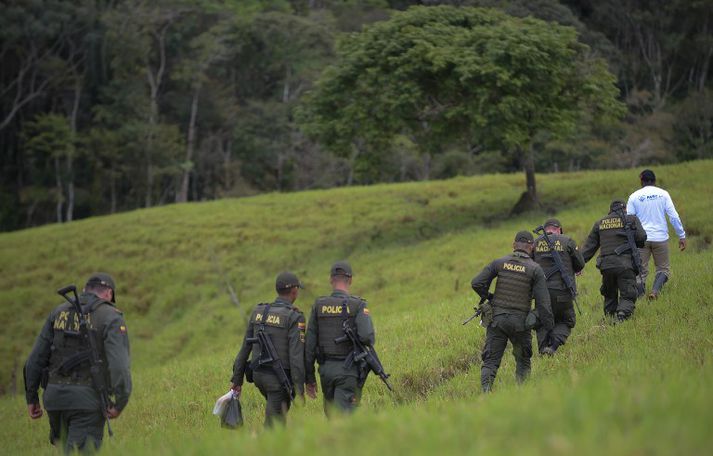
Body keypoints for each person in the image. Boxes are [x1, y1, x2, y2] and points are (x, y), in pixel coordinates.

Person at [24, 273, 132, 453]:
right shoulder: (111, 316)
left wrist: (31, 397)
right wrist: (120, 402)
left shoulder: (58, 313)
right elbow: (119, 366)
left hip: (54, 400)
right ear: (109, 294)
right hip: (87, 402)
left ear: (84, 290)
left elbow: (35, 359)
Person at [471, 231, 553, 393]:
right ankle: (522, 394)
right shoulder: (535, 269)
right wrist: (548, 328)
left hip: (497, 320)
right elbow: (544, 303)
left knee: (490, 361)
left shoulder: (500, 263)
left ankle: (485, 393)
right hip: (520, 323)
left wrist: (489, 297)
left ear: (514, 245)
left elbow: (477, 283)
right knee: (523, 361)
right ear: (532, 247)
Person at [230, 272, 306, 427]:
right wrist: (299, 390)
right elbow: (296, 358)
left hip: (258, 376)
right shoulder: (294, 317)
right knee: (273, 426)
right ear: (294, 291)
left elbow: (245, 348)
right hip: (278, 382)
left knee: (279, 418)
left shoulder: (259, 312)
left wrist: (237, 380)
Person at [305, 261, 375, 415]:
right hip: (348, 371)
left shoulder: (319, 305)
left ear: (331, 280)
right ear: (350, 280)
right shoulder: (358, 305)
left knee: (331, 417)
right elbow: (367, 338)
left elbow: (309, 346)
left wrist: (309, 378)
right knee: (345, 421)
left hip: (325, 372)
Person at [581, 200, 647, 322]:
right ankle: (621, 316)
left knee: (609, 294)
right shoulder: (631, 219)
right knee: (628, 294)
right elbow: (642, 237)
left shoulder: (600, 223)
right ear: (625, 209)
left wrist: (577, 265)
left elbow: (588, 248)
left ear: (610, 210)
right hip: (626, 265)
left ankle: (610, 318)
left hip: (606, 266)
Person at [626, 169, 687, 299]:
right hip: (660, 238)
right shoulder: (663, 194)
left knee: (640, 271)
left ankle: (641, 297)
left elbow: (629, 222)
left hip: (641, 239)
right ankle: (654, 291)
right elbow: (674, 217)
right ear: (654, 180)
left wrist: (629, 241)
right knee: (663, 269)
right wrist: (681, 235)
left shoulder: (634, 196)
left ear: (641, 181)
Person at [533, 218, 585, 355]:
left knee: (543, 320)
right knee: (566, 320)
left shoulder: (535, 243)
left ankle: (543, 349)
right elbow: (580, 264)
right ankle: (554, 346)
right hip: (563, 291)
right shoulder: (567, 240)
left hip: (541, 293)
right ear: (559, 229)